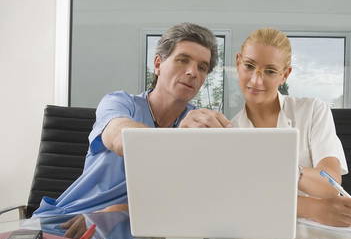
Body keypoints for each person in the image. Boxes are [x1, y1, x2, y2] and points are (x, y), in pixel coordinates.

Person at [32, 22, 231, 218]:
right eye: (182, 60)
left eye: (202, 67)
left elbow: (192, 194)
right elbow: (121, 139)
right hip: (75, 218)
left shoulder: (198, 124)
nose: (192, 72)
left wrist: (123, 210)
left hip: (141, 223)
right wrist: (179, 140)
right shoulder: (119, 103)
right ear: (158, 64)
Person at [232, 28, 351, 227]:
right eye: (249, 66)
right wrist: (312, 208)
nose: (256, 80)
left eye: (270, 71)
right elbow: (245, 200)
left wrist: (275, 165)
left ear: (285, 74)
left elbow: (329, 184)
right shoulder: (231, 130)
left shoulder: (312, 110)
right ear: (238, 62)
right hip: (260, 230)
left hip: (319, 237)